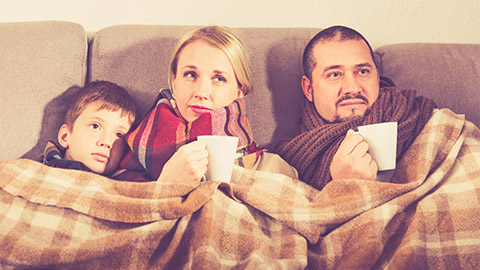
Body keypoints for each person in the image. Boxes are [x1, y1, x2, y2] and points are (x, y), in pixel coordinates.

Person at [275, 25, 437, 190]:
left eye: (362, 72)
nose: (352, 88)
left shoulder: (424, 119)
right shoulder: (288, 165)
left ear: (377, 78)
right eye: (335, 74)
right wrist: (343, 189)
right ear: (309, 89)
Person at [114, 25, 263, 183]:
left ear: (239, 92)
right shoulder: (123, 158)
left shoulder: (269, 168)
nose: (201, 92)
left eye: (219, 78)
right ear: (175, 82)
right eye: (191, 74)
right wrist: (165, 183)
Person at [41, 80, 137, 176]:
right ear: (65, 136)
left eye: (119, 135)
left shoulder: (126, 182)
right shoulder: (36, 170)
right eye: (95, 126)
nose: (106, 142)